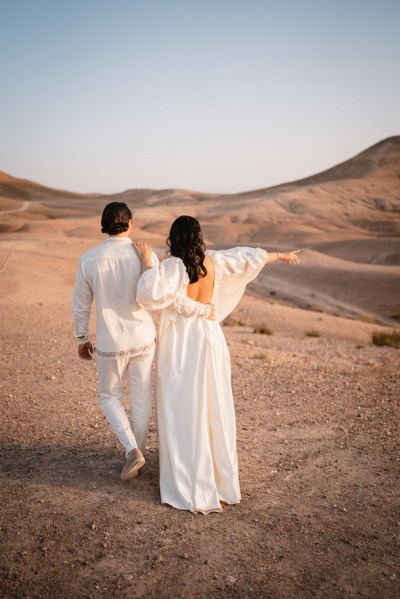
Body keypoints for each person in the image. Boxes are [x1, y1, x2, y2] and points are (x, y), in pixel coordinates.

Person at [134, 215, 300, 514]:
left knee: (182, 404)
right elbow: (249, 258)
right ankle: (217, 478)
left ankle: (189, 478)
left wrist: (148, 263)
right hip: (210, 337)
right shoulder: (214, 262)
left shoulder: (171, 266)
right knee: (212, 403)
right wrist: (280, 256)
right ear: (198, 237)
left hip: (184, 340)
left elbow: (148, 294)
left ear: (175, 237)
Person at [73, 202, 160, 481]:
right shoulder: (146, 254)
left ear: (104, 225)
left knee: (109, 396)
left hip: (111, 340)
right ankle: (138, 452)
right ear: (130, 223)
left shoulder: (88, 259)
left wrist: (82, 338)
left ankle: (132, 450)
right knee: (141, 398)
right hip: (143, 337)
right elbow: (155, 296)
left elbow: (81, 305)